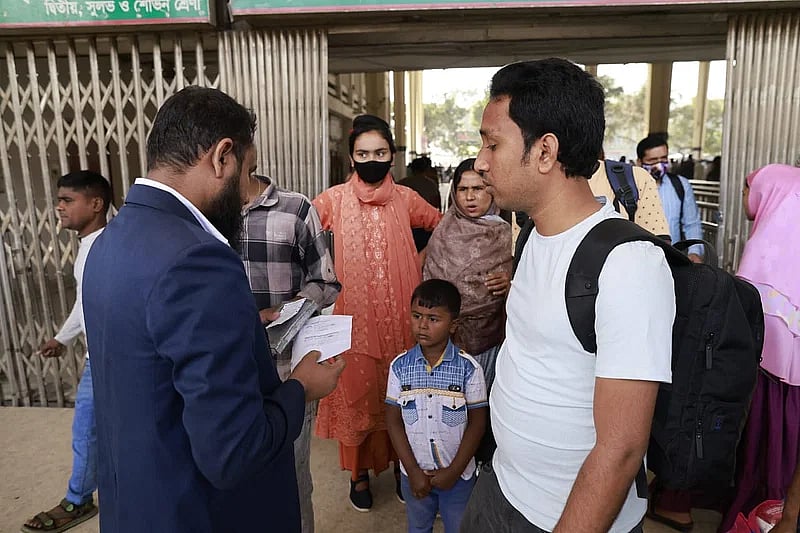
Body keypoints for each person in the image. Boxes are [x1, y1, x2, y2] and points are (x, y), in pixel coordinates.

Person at [82, 86, 345, 533]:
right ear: (222, 157)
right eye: (249, 170)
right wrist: (301, 388)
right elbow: (234, 452)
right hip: (199, 513)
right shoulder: (199, 260)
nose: (247, 194)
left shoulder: (109, 242)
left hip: (138, 504)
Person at [460, 58, 674, 533]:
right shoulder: (533, 235)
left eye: (493, 143)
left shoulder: (627, 264)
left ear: (545, 151)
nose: (480, 160)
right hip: (504, 489)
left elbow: (620, 450)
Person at [313, 114, 443, 512]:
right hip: (354, 322)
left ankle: (404, 467)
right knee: (358, 393)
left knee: (400, 393)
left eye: (380, 152)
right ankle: (359, 476)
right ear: (351, 157)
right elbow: (302, 234)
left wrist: (418, 260)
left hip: (400, 319)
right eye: (364, 153)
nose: (372, 159)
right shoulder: (332, 199)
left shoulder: (406, 198)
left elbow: (442, 225)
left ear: (391, 156)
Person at [240, 173, 341, 533]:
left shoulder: (295, 209)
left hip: (288, 375)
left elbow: (325, 281)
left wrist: (289, 312)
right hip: (225, 379)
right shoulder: (202, 215)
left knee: (291, 482)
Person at [21, 171, 111, 533]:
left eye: (67, 200)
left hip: (109, 360)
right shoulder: (89, 244)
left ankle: (77, 501)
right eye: (59, 199)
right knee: (91, 429)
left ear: (95, 204)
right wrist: (63, 337)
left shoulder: (106, 246)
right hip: (98, 358)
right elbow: (84, 301)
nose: (59, 207)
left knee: (88, 430)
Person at [718, 163, 800, 532]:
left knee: (761, 442)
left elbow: (750, 204)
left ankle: (757, 512)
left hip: (767, 366)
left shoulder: (765, 245)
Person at [386, 279, 487, 533]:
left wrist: (454, 471)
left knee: (459, 527)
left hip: (458, 476)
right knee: (418, 527)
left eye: (433, 319)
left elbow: (478, 423)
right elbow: (393, 421)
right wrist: (412, 471)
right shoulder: (399, 367)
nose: (422, 325)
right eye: (417, 315)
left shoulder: (468, 369)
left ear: (453, 325)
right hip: (414, 474)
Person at [422, 157, 511, 392]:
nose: (470, 197)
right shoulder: (443, 231)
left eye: (478, 189)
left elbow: (524, 276)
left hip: (488, 337)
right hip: (444, 339)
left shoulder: (506, 232)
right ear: (454, 192)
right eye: (463, 189)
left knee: (480, 402)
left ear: (491, 190)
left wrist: (510, 281)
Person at [636, 134, 704, 262]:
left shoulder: (681, 185)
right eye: (653, 160)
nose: (659, 165)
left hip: (673, 260)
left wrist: (695, 252)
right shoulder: (630, 188)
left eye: (663, 159)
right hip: (640, 261)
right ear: (639, 162)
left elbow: (692, 224)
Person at [400, 156, 442, 252]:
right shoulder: (430, 183)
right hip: (425, 229)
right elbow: (436, 204)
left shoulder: (402, 183)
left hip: (407, 229)